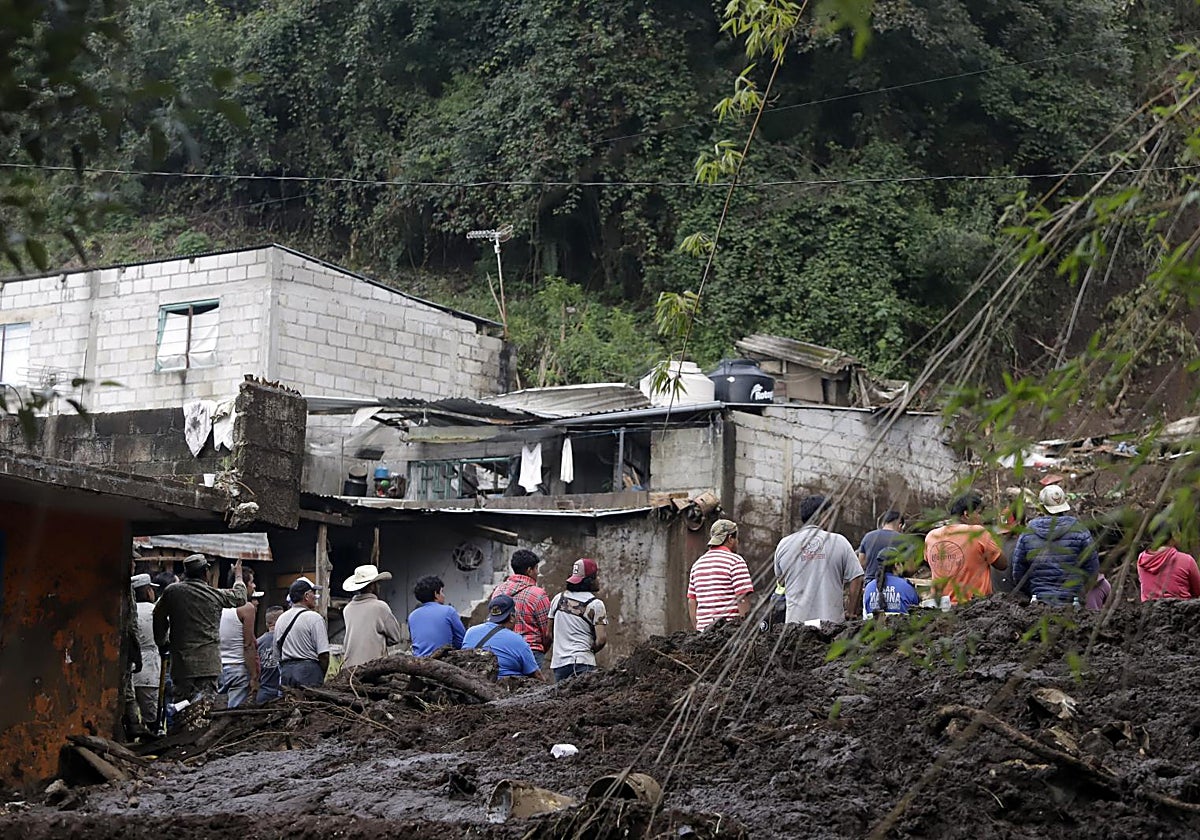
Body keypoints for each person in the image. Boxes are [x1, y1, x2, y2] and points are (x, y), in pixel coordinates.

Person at [153, 554, 247, 703]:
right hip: (207, 665)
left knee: (181, 707)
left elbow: (158, 616)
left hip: (181, 664)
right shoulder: (213, 594)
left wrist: (162, 641)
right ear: (205, 573)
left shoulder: (172, 592)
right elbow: (240, 597)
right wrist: (238, 576)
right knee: (204, 708)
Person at [774, 496, 863, 624]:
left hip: (795, 627)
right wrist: (850, 612)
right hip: (831, 626)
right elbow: (858, 577)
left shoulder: (784, 544)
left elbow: (781, 582)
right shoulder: (840, 542)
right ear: (824, 515)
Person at [1011, 485, 1098, 606]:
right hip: (1072, 603)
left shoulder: (1028, 532)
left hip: (1039, 602)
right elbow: (1092, 570)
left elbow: (1018, 572)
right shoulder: (1080, 530)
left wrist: (1033, 590)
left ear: (1041, 507)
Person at [924, 491, 1007, 605]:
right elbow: (1002, 564)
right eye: (979, 513)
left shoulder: (932, 536)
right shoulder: (978, 533)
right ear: (967, 514)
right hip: (973, 608)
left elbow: (932, 565)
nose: (982, 518)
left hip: (940, 607)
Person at [489, 549, 552, 669]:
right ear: (529, 570)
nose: (537, 573)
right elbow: (547, 633)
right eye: (536, 568)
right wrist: (542, 649)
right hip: (531, 651)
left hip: (503, 650)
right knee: (532, 687)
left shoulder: (498, 591)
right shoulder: (538, 594)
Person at [688, 519, 754, 631]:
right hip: (728, 634)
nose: (737, 542)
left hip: (703, 635)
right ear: (730, 539)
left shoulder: (697, 565)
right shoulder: (736, 561)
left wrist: (698, 630)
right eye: (736, 538)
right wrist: (745, 630)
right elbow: (742, 598)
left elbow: (692, 601)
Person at [549, 558, 608, 682]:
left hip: (560, 664)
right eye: (596, 576)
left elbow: (548, 634)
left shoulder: (558, 599)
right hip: (583, 662)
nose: (598, 580)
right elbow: (601, 639)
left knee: (560, 700)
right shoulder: (595, 604)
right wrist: (591, 649)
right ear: (590, 581)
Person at [462, 594, 543, 680]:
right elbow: (536, 675)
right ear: (512, 617)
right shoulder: (517, 641)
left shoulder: (470, 632)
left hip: (470, 684)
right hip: (505, 689)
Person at [341, 564, 403, 667]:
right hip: (372, 666)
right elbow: (395, 637)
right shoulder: (380, 607)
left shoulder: (347, 609)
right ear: (373, 586)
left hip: (349, 666)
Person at [216, 567, 261, 708]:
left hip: (217, 668)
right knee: (234, 715)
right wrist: (254, 676)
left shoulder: (217, 606)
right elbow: (248, 645)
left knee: (214, 710)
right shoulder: (247, 609)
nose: (254, 586)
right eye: (252, 582)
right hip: (237, 668)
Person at [275, 578, 330, 687]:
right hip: (308, 673)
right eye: (313, 593)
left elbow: (277, 655)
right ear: (306, 596)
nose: (315, 597)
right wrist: (320, 675)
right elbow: (324, 655)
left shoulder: (280, 619)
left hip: (287, 673)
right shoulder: (315, 618)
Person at [1136, 512, 1200, 600]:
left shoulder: (1142, 559)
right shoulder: (1186, 560)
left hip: (1151, 611)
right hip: (1181, 611)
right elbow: (1198, 591)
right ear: (1172, 536)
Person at [127, 574, 161, 735]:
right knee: (151, 713)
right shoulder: (155, 611)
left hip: (129, 667)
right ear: (148, 591)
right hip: (150, 668)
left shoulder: (127, 612)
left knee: (130, 709)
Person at [408, 574, 466, 657]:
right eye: (442, 591)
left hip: (419, 662)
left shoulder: (412, 616)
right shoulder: (449, 611)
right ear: (436, 594)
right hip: (444, 661)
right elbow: (461, 640)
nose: (444, 595)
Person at [857, 511, 906, 579]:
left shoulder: (868, 536)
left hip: (871, 582)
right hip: (895, 583)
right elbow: (910, 568)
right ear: (900, 525)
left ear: (883, 523)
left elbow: (861, 563)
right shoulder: (904, 539)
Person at [256, 606, 284, 704]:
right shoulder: (288, 640)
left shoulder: (258, 643)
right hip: (284, 692)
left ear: (267, 623)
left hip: (264, 691)